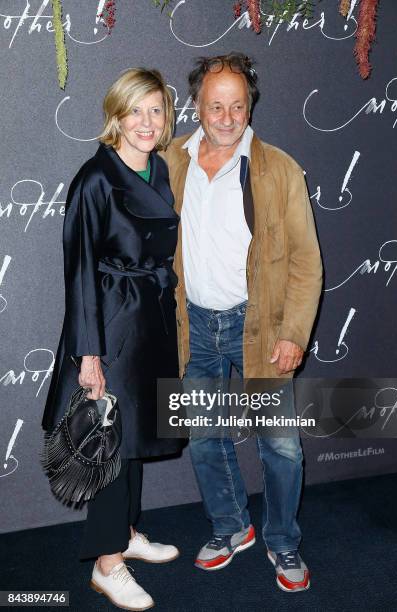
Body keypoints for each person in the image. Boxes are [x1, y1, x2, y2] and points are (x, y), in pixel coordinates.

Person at [163, 52, 322, 593]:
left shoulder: (279, 168)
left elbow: (305, 260)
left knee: (280, 445)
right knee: (205, 437)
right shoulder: (168, 162)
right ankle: (231, 526)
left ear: (249, 104)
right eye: (215, 105)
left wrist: (294, 332)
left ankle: (283, 542)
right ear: (197, 106)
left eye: (237, 105)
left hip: (258, 328)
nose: (227, 116)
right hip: (194, 327)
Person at [42, 68, 185, 611]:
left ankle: (125, 533)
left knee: (134, 440)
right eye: (136, 111)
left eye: (156, 110)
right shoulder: (94, 179)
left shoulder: (160, 169)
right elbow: (78, 270)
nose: (147, 122)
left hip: (151, 318)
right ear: (116, 115)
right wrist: (89, 353)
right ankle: (107, 565)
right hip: (110, 323)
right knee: (111, 444)